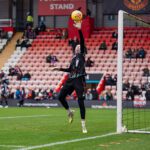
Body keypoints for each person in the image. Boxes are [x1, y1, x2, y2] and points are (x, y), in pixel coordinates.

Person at [53, 22, 87, 133]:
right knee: (60, 97)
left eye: (79, 46)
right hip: (71, 79)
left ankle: (83, 125)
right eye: (76, 46)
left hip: (79, 79)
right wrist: (59, 69)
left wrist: (80, 30)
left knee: (80, 101)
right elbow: (69, 70)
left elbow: (82, 41)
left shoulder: (81, 55)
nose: (77, 46)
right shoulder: (73, 59)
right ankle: (69, 112)